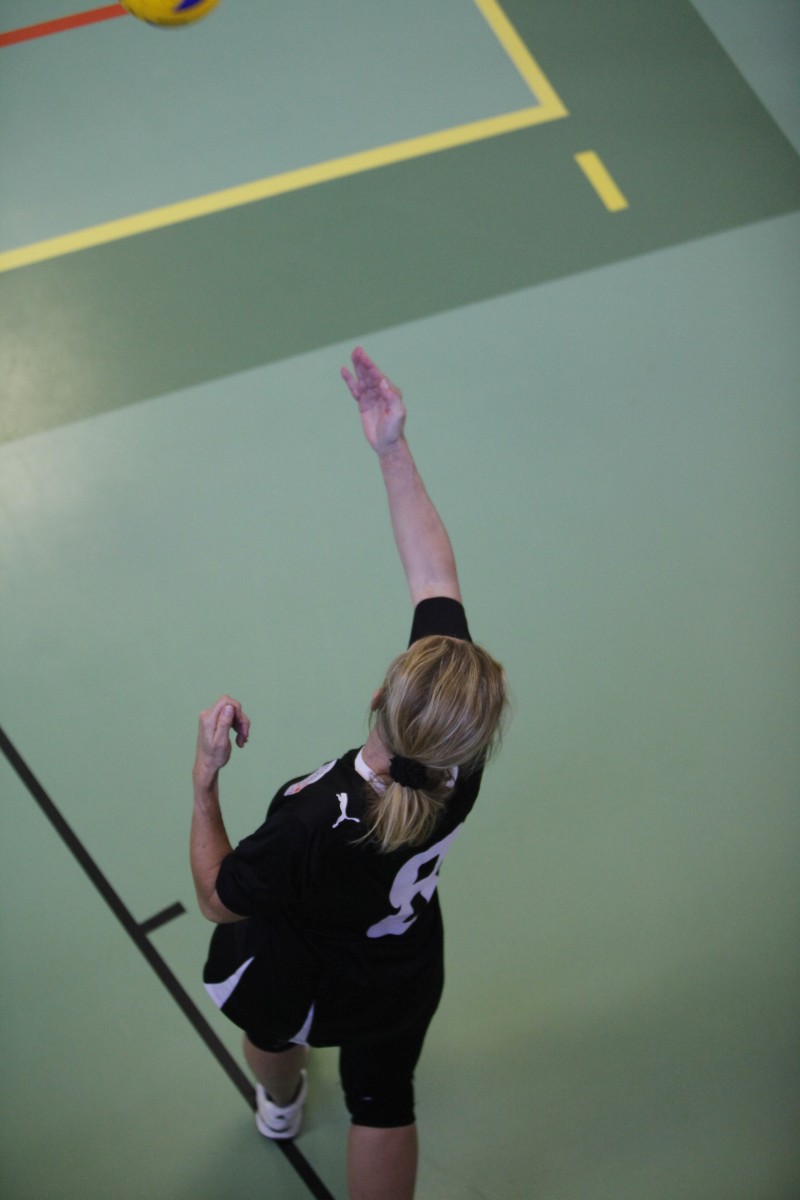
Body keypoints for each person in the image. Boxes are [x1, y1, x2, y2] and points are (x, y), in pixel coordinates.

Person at [190, 347, 508, 1200]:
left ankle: (281, 1102)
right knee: (384, 1102)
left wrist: (205, 781)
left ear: (381, 695)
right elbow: (433, 572)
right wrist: (391, 445)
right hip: (402, 965)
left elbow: (219, 897)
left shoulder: (314, 820)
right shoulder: (459, 759)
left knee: (272, 1039)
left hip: (298, 973)